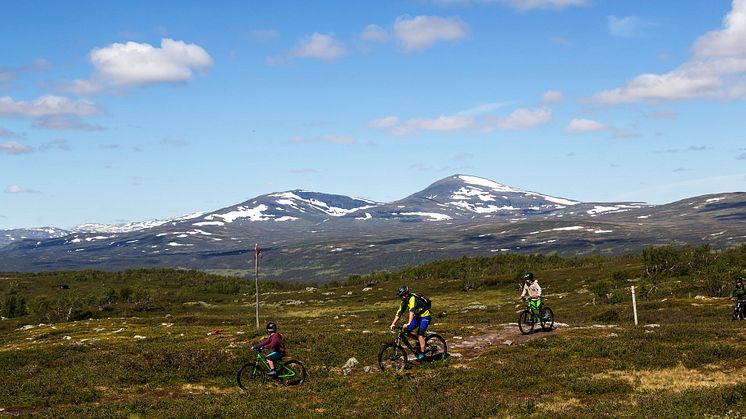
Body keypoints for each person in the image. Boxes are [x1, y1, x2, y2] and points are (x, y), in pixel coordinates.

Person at [389, 285, 432, 361]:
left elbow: (411, 311)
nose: (400, 297)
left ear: (406, 294)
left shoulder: (412, 299)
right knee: (405, 331)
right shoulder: (404, 301)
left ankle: (422, 353)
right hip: (417, 317)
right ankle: (418, 340)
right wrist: (393, 323)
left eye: (401, 296)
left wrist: (409, 323)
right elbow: (399, 312)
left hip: (425, 316)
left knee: (420, 336)